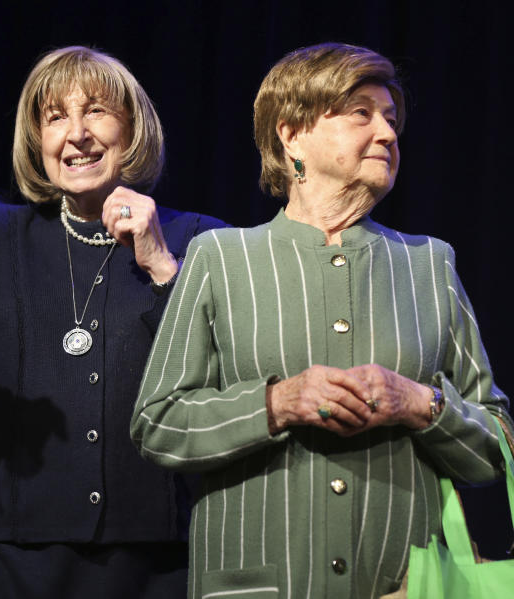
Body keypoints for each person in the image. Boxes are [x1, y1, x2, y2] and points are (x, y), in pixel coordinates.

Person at [131, 42, 512, 599]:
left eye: (391, 120)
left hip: (408, 586)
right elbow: (157, 424)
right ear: (291, 133)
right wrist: (277, 403)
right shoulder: (222, 257)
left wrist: (419, 404)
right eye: (361, 113)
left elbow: (497, 443)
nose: (386, 134)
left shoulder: (429, 263)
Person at [0, 46, 226, 597]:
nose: (76, 134)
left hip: (152, 558)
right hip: (6, 556)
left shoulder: (198, 238)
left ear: (134, 128)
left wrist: (162, 267)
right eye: (55, 118)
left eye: (96, 111)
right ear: (38, 143)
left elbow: (226, 363)